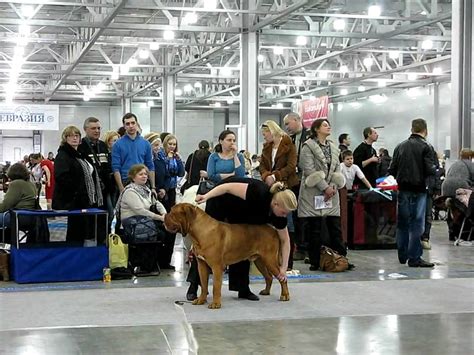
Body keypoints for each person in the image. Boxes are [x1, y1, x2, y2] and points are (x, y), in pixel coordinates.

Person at [194, 177, 297, 300]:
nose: (285, 216)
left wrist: (283, 268)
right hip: (221, 201)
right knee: (204, 249)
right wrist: (206, 196)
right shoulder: (259, 192)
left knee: (242, 248)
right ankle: (194, 287)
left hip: (242, 213)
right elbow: (226, 188)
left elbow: (285, 241)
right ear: (275, 204)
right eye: (284, 212)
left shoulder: (279, 215)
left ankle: (242, 289)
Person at [298, 119, 349, 271]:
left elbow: (336, 170)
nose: (329, 127)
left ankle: (341, 259)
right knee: (315, 229)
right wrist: (325, 188)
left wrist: (333, 187)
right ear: (316, 129)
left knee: (335, 227)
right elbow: (308, 169)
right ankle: (315, 260)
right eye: (325, 125)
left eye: (329, 125)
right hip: (313, 192)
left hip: (332, 194)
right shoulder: (307, 147)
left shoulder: (333, 147)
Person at [388, 118, 436, 268]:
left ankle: (402, 255)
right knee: (417, 225)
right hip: (419, 190)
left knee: (402, 223)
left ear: (412, 129)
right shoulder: (427, 147)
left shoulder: (399, 146)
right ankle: (414, 257)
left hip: (403, 190)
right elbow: (429, 169)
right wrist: (437, 169)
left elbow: (391, 169)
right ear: (425, 130)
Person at [53, 126, 103, 244]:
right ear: (65, 138)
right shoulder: (63, 155)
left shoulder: (81, 155)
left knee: (84, 232)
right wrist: (78, 190)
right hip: (71, 202)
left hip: (85, 201)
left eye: (77, 135)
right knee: (74, 234)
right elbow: (61, 177)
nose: (74, 138)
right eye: (70, 136)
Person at [259, 120, 298, 269]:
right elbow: (262, 165)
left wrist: (275, 176)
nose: (264, 137)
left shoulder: (289, 145)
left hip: (286, 186)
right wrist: (266, 176)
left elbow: (291, 166)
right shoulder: (266, 147)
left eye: (264, 134)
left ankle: (288, 262)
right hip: (270, 187)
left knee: (287, 223)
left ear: (271, 131)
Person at [154, 134, 185, 270]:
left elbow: (181, 173)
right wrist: (169, 160)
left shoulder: (175, 158)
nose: (172, 147)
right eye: (170, 144)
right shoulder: (160, 157)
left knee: (172, 223)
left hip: (172, 191)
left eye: (174, 144)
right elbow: (163, 174)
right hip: (163, 191)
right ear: (165, 144)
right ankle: (160, 259)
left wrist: (177, 160)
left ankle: (167, 259)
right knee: (163, 222)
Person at [283, 112, 310, 261]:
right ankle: (300, 246)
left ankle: (306, 247)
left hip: (307, 181)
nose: (286, 127)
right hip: (294, 182)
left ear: (297, 120)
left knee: (305, 216)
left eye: (288, 124)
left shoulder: (310, 135)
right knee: (295, 215)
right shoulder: (289, 139)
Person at [78, 117, 111, 234]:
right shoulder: (81, 147)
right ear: (85, 130)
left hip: (105, 191)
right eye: (93, 128)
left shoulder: (103, 145)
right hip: (89, 192)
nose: (97, 131)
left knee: (106, 218)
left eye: (98, 128)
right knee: (89, 221)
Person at [111, 113, 155, 193]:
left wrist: (153, 187)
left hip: (143, 181)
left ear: (137, 124)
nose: (131, 126)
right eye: (127, 124)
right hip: (126, 182)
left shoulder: (146, 143)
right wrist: (121, 187)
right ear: (124, 126)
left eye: (133, 123)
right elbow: (116, 168)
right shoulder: (117, 145)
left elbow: (150, 166)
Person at [441, 148, 474, 241]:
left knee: (453, 206)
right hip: (460, 187)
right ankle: (466, 231)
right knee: (467, 207)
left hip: (446, 188)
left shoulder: (454, 164)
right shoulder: (470, 164)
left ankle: (452, 231)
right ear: (470, 156)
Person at [0, 163, 37, 229]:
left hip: (18, 217)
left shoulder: (16, 184)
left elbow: (4, 206)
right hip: (30, 217)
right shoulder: (31, 184)